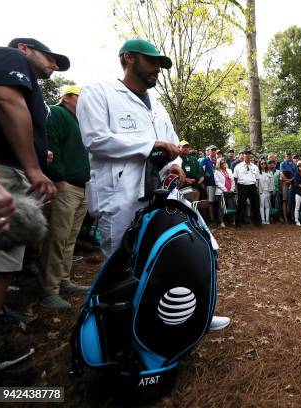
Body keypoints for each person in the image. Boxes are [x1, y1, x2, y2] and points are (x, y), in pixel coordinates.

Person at [77, 39, 229, 330]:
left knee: (168, 257)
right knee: (123, 265)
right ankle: (121, 332)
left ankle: (186, 318)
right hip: (119, 197)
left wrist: (176, 165)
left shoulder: (157, 106)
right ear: (129, 58)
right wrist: (149, 145)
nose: (158, 69)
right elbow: (96, 140)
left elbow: (173, 145)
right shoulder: (99, 93)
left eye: (161, 64)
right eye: (152, 62)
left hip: (160, 195)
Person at [0, 37, 66, 369]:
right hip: (5, 175)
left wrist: (39, 151)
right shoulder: (11, 57)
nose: (54, 65)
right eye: (50, 57)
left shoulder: (29, 83)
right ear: (24, 48)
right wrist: (34, 167)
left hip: (11, 172)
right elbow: (6, 101)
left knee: (5, 263)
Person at [40, 85, 91, 310]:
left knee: (70, 239)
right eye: (81, 97)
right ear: (68, 97)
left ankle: (63, 280)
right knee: (57, 239)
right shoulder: (57, 112)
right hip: (65, 185)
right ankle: (49, 290)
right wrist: (58, 179)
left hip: (82, 187)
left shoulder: (81, 122)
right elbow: (51, 144)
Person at [232, 150, 261, 227]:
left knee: (255, 204)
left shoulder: (255, 167)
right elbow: (235, 178)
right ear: (243, 156)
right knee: (240, 205)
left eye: (249, 154)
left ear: (250, 156)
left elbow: (257, 178)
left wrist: (256, 188)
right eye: (246, 154)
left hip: (252, 186)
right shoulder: (238, 166)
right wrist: (237, 188)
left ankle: (257, 222)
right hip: (242, 186)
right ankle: (238, 223)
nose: (247, 156)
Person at [214, 158, 235, 227]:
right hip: (221, 192)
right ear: (219, 164)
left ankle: (232, 220)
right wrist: (225, 189)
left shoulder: (229, 170)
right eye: (222, 163)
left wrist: (232, 189)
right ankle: (221, 221)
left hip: (230, 191)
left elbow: (232, 180)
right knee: (221, 207)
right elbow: (217, 182)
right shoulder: (216, 172)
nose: (224, 164)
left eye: (224, 162)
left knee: (231, 205)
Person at [200, 145, 218, 223]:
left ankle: (217, 217)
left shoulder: (218, 160)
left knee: (217, 201)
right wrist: (203, 184)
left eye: (215, 150)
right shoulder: (205, 160)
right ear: (209, 151)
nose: (213, 151)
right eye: (212, 150)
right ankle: (211, 218)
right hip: (209, 184)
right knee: (210, 201)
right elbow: (201, 172)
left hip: (218, 184)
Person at [257, 159, 274, 224]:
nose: (263, 165)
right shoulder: (258, 173)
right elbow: (257, 183)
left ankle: (267, 219)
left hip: (268, 191)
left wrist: (271, 191)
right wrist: (259, 192)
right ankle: (263, 220)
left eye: (264, 163)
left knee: (267, 206)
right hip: (261, 191)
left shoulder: (269, 173)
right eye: (262, 163)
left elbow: (271, 183)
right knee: (261, 206)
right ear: (259, 165)